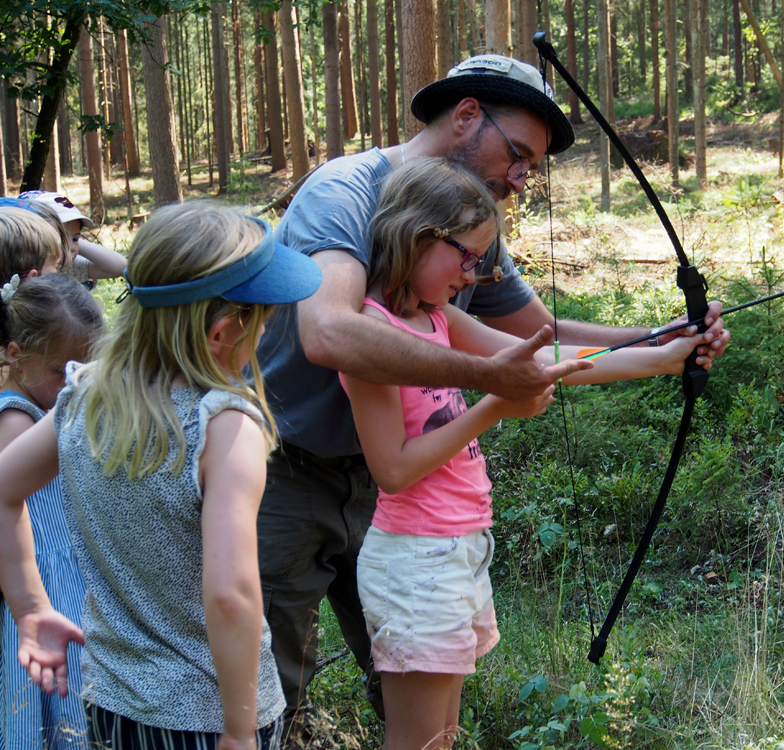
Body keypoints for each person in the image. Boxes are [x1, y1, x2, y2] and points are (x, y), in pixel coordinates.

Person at [256, 54, 731, 735]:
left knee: (414, 707)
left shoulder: (461, 237)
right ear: (467, 116)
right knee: (263, 694)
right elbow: (328, 333)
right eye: (518, 154)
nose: (521, 178)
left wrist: (662, 342)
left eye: (532, 167)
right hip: (290, 470)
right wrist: (494, 389)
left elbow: (538, 336)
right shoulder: (349, 193)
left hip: (398, 501)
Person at [340, 158, 721, 750]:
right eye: (466, 257)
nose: (471, 276)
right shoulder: (372, 334)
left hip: (459, 549)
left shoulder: (438, 320)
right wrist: (496, 403)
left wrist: (666, 349)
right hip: (414, 562)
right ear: (417, 234)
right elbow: (393, 469)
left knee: (441, 739)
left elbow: (547, 361)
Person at [0, 203, 322, 750]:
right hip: (208, 715)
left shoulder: (84, 395)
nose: (265, 335)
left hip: (114, 706)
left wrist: (30, 607)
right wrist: (241, 732)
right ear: (222, 332)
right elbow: (230, 595)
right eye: (263, 322)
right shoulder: (224, 426)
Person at [0, 273, 104, 750]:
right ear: (16, 354)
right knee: (56, 688)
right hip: (44, 576)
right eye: (62, 371)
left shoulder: (48, 407)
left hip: (65, 565)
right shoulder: (17, 417)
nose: (73, 385)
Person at [18, 192, 126, 284]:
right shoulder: (15, 275)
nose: (70, 247)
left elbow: (120, 267)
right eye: (60, 237)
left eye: (75, 239)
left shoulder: (68, 267)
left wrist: (72, 243)